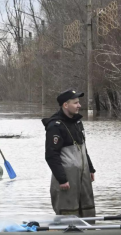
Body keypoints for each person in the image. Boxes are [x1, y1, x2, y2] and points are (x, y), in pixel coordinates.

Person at [42, 89, 96, 217]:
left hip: (82, 176)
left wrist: (91, 169)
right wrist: (62, 179)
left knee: (87, 211)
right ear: (65, 105)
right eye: (76, 103)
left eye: (79, 102)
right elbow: (51, 155)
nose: (79, 105)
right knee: (68, 213)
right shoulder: (55, 126)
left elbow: (83, 148)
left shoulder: (77, 122)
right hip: (67, 179)